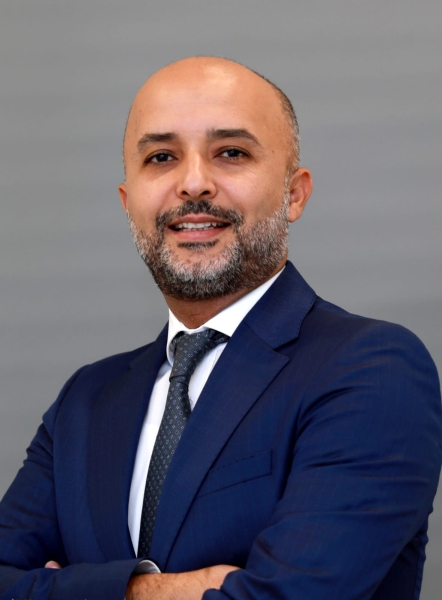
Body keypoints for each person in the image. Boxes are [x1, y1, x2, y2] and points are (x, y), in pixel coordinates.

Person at [0, 56, 441, 600]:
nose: (193, 184)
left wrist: (62, 588)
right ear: (128, 204)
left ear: (294, 194)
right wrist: (143, 590)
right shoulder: (85, 402)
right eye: (161, 157)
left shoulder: (372, 369)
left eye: (231, 153)